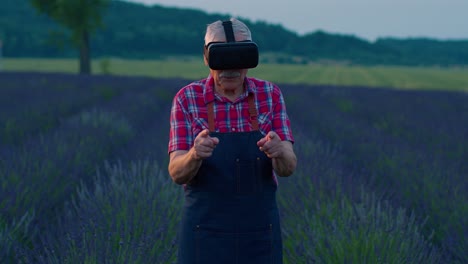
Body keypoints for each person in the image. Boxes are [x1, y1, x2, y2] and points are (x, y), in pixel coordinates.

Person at [167, 17, 297, 264]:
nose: (231, 67)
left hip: (259, 234)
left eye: (240, 56)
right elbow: (176, 172)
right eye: (222, 57)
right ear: (207, 58)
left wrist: (279, 150)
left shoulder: (270, 95)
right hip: (203, 234)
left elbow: (289, 167)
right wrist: (195, 154)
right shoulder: (187, 98)